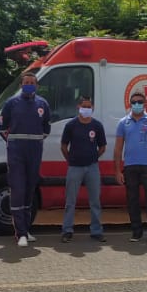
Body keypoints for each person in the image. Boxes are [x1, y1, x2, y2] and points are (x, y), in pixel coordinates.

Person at [0, 72, 51, 247]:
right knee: (18, 190)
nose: (29, 85)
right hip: (16, 152)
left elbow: (46, 128)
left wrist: (34, 141)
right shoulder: (11, 103)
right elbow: (2, 127)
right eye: (26, 82)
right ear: (21, 85)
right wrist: (14, 142)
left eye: (32, 82)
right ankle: (20, 232)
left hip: (35, 151)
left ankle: (26, 230)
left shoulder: (42, 104)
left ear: (36, 85)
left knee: (29, 190)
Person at [114, 92, 147, 243]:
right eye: (134, 102)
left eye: (140, 101)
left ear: (145, 103)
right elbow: (118, 149)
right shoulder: (123, 123)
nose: (137, 104)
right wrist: (117, 171)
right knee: (132, 200)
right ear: (130, 104)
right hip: (130, 167)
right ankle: (136, 232)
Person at [60, 95, 107, 243]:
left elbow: (102, 147)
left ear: (92, 108)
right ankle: (67, 230)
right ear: (78, 107)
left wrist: (93, 157)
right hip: (74, 167)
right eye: (84, 106)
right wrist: (71, 159)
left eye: (89, 106)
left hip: (92, 167)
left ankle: (96, 231)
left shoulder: (97, 126)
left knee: (95, 201)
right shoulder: (71, 125)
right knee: (70, 202)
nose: (87, 109)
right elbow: (63, 146)